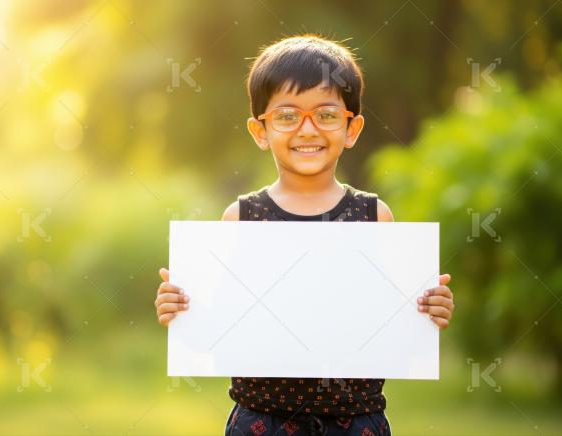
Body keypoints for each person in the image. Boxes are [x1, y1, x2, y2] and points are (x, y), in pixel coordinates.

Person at [154, 34, 455, 436]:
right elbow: (217, 334)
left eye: (326, 115)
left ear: (352, 128)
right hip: (262, 420)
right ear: (260, 131)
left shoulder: (373, 217)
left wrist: (430, 309)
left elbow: (393, 320)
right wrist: (181, 312)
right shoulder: (242, 218)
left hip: (355, 420)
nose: (307, 129)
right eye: (287, 115)